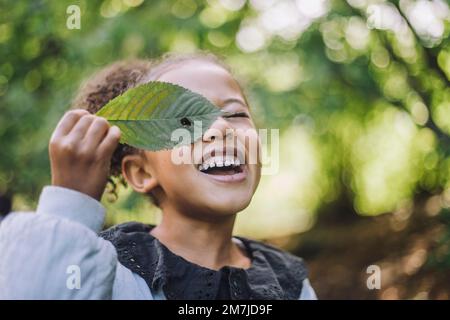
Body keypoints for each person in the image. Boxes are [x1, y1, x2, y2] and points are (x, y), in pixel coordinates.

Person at [0, 53, 317, 300]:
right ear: (141, 172)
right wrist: (70, 205)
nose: (220, 128)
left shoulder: (288, 281)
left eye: (235, 114)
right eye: (186, 119)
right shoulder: (110, 272)